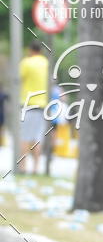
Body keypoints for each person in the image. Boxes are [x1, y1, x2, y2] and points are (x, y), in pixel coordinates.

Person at [19, 41, 49, 174]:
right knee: (37, 138)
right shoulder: (46, 63)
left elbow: (19, 79)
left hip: (27, 104)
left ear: (30, 50)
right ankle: (36, 168)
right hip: (42, 106)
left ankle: (23, 167)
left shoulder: (26, 62)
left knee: (24, 137)